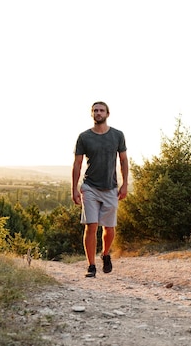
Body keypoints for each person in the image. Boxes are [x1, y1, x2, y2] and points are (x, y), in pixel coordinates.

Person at [72, 101, 128, 278]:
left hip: (111, 188)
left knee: (109, 229)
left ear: (107, 114)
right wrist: (74, 188)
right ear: (91, 114)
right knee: (91, 226)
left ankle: (105, 254)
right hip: (89, 187)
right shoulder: (84, 137)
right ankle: (91, 266)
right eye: (95, 110)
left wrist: (125, 184)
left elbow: (124, 160)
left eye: (101, 110)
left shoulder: (117, 135)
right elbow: (77, 163)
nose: (98, 113)